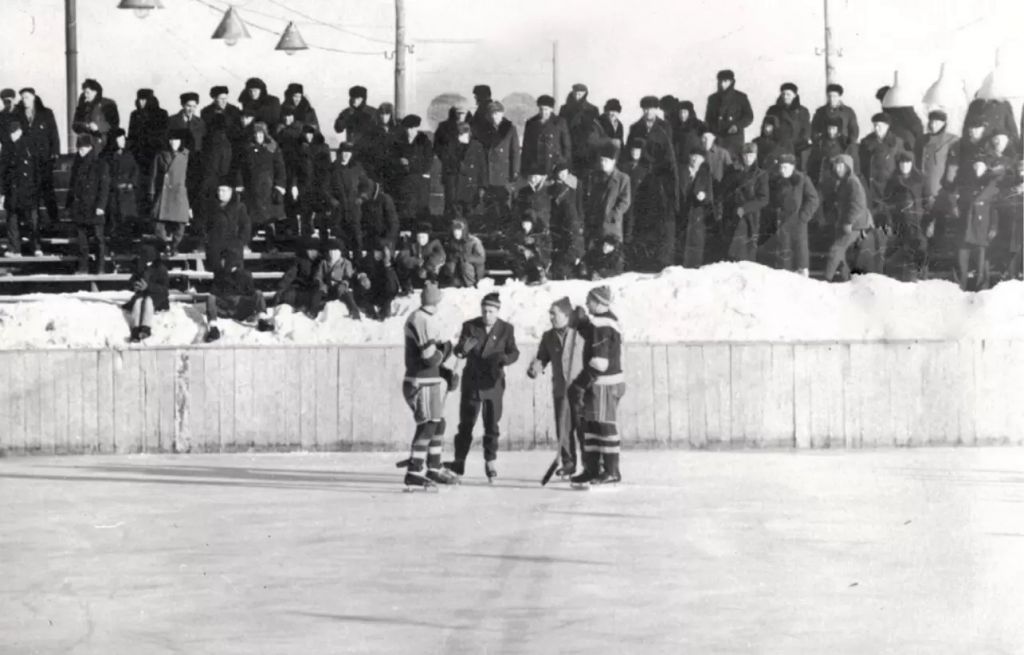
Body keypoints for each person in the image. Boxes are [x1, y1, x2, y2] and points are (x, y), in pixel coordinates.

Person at [445, 292, 519, 482]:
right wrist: (462, 349)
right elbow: (459, 350)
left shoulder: (506, 329)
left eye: (491, 311)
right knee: (466, 424)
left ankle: (490, 461)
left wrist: (505, 359)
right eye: (484, 311)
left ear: (497, 311)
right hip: (473, 382)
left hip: (493, 382)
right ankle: (459, 462)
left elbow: (514, 351)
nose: (487, 315)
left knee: (492, 424)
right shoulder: (470, 326)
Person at [400, 282, 460, 489]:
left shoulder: (427, 318)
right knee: (427, 425)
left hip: (429, 381)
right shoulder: (421, 319)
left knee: (438, 424)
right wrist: (448, 349)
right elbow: (429, 357)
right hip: (420, 382)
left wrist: (445, 373)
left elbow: (434, 359)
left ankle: (433, 468)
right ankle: (414, 471)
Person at [568, 285, 625, 486]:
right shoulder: (603, 322)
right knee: (591, 426)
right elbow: (594, 337)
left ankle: (610, 470)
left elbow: (600, 362)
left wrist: (580, 383)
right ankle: (592, 469)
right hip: (600, 383)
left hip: (604, 384)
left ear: (599, 302)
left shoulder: (603, 324)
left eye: (589, 300)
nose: (586, 303)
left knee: (604, 425)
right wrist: (582, 324)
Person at [527, 297, 586, 478]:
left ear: (567, 315)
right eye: (550, 314)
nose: (551, 317)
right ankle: (568, 464)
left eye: (554, 313)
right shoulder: (548, 336)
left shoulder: (580, 333)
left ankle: (591, 465)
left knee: (584, 429)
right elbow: (542, 357)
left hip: (581, 389)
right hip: (561, 389)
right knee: (563, 429)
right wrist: (535, 367)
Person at [763, 153, 819, 275]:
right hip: (782, 223)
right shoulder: (776, 181)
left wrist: (803, 216)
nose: (783, 171)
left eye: (786, 167)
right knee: (784, 257)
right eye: (781, 167)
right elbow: (771, 200)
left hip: (798, 222)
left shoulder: (802, 179)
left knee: (800, 255)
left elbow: (813, 199)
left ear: (793, 167)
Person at [204, 248, 273, 342]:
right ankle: (213, 329)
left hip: (241, 308)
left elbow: (252, 293)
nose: (222, 262)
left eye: (224, 259)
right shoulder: (219, 274)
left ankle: (262, 321)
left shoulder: (245, 274)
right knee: (210, 298)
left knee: (258, 293)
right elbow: (214, 292)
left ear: (229, 260)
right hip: (226, 308)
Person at [235, 122, 287, 247]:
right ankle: (245, 245)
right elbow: (241, 169)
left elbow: (280, 168)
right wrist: (240, 185)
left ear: (264, 134)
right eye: (256, 134)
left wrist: (279, 186)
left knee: (269, 221)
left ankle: (271, 246)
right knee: (250, 220)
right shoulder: (247, 149)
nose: (258, 136)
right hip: (252, 189)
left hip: (268, 190)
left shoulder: (272, 148)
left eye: (260, 134)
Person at [14, 88, 60, 225]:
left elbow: (54, 134)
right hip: (27, 160)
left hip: (44, 160)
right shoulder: (18, 115)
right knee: (29, 192)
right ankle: (32, 222)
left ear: (33, 97)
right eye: (22, 97)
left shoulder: (46, 113)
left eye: (27, 97)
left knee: (47, 191)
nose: (24, 100)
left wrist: (55, 153)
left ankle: (54, 219)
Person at [628, 96, 678, 225]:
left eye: (651, 109)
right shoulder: (635, 128)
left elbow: (669, 152)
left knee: (658, 207)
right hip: (641, 171)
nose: (648, 112)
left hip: (659, 172)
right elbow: (628, 151)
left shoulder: (665, 126)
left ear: (656, 110)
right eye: (645, 109)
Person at [823, 153, 872, 282]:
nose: (838, 169)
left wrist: (848, 221)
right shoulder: (843, 182)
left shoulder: (852, 182)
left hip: (853, 225)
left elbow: (858, 204)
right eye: (836, 166)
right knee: (842, 256)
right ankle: (849, 282)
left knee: (835, 250)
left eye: (841, 166)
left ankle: (825, 281)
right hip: (846, 223)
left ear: (848, 167)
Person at [883, 152, 930, 281]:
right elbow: (887, 203)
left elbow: (927, 201)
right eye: (902, 163)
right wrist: (889, 222)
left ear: (912, 164)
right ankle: (903, 277)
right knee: (902, 248)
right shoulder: (893, 180)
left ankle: (921, 275)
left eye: (908, 163)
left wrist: (928, 220)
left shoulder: (920, 179)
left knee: (920, 246)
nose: (905, 166)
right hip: (899, 221)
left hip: (917, 221)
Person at [67, 135, 111, 273]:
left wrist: (101, 206)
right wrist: (70, 205)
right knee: (82, 241)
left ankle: (100, 267)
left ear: (90, 148)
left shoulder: (100, 164)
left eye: (84, 148)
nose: (81, 151)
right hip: (80, 207)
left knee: (98, 239)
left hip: (94, 207)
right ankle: (83, 267)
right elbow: (72, 186)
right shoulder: (76, 164)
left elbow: (104, 187)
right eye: (79, 148)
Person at [956, 157, 1000, 291]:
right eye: (975, 166)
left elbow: (995, 209)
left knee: (981, 263)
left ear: (986, 168)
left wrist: (993, 227)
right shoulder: (965, 183)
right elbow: (956, 200)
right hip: (966, 226)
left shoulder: (992, 186)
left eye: (981, 166)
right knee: (962, 262)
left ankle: (981, 289)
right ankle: (959, 289)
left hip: (982, 227)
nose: (977, 169)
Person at [720, 142, 770, 262]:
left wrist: (745, 208)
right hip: (731, 215)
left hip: (750, 218)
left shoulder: (760, 175)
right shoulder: (733, 171)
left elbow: (763, 199)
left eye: (751, 155)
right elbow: (724, 191)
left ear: (756, 156)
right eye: (746, 155)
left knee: (746, 254)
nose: (748, 159)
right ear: (742, 156)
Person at [0, 122, 42, 256]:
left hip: (27, 190)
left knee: (31, 221)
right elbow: (3, 172)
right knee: (14, 220)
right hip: (14, 190)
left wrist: (37, 188)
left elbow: (36, 170)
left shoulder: (28, 146)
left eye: (13, 133)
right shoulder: (8, 148)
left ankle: (34, 247)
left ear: (18, 131)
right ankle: (16, 248)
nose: (11, 136)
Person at [127, 89, 169, 218]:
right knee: (140, 189)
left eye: (144, 99)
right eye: (139, 99)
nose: (141, 102)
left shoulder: (161, 114)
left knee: (154, 188)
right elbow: (131, 136)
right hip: (139, 158)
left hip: (154, 156)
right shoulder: (135, 114)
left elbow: (164, 135)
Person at [149, 129, 191, 256]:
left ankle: (174, 246)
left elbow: (191, 176)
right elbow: (154, 175)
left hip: (180, 192)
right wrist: (151, 192)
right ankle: (164, 246)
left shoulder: (186, 155)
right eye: (171, 140)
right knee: (157, 221)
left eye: (177, 140)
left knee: (181, 222)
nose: (174, 143)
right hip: (164, 192)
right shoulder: (160, 155)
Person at [389, 115, 434, 229]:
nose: (409, 131)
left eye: (412, 128)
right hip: (404, 181)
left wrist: (410, 164)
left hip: (419, 182)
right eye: (407, 128)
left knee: (420, 208)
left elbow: (428, 161)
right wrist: (400, 162)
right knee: (405, 209)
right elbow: (392, 159)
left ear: (417, 128)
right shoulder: (399, 142)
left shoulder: (424, 141)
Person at [582, 141, 631, 246]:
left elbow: (625, 201)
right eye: (601, 160)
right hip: (595, 225)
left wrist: (613, 215)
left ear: (613, 161)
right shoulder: (595, 176)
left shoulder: (623, 179)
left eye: (606, 161)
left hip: (611, 227)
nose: (602, 163)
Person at [478, 101, 521, 220]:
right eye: (492, 113)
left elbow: (515, 153)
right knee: (489, 206)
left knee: (504, 205)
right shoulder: (485, 129)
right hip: (488, 173)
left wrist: (514, 173)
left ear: (502, 113)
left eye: (497, 113)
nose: (494, 116)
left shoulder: (510, 128)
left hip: (504, 174)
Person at [860, 113, 909, 217]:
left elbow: (903, 164)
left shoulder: (896, 143)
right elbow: (861, 164)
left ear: (887, 126)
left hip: (888, 186)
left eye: (880, 126)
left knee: (888, 216)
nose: (877, 128)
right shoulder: (866, 142)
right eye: (875, 125)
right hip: (870, 187)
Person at [197, 114, 234, 245]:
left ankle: (203, 241)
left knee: (204, 213)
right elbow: (225, 165)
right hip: (219, 180)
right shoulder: (226, 142)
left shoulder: (207, 140)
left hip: (206, 181)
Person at [437, 122, 486, 220]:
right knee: (453, 214)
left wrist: (483, 185)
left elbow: (482, 167)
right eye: (459, 135)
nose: (460, 137)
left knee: (470, 213)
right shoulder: (450, 146)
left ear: (468, 133)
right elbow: (445, 165)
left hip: (471, 186)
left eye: (463, 134)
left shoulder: (477, 147)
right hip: (455, 186)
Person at [124, 243, 169, 343]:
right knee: (138, 302)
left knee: (148, 301)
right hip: (142, 294)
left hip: (157, 297)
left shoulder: (161, 269)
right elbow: (131, 281)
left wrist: (148, 287)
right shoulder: (141, 267)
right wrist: (135, 285)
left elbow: (165, 289)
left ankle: (146, 328)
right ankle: (135, 329)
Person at [327, 142, 370, 247]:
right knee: (340, 241)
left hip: (353, 209)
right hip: (338, 210)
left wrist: (361, 198)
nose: (346, 155)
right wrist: (332, 200)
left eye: (349, 153)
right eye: (344, 152)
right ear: (340, 153)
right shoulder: (333, 168)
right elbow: (325, 188)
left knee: (356, 240)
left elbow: (365, 185)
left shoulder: (357, 168)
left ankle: (357, 262)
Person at [678, 149, 716, 267]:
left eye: (698, 157)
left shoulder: (705, 175)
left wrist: (704, 196)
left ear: (703, 160)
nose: (695, 159)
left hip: (697, 215)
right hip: (681, 212)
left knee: (695, 243)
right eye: (693, 156)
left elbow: (710, 196)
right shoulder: (681, 172)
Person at [704, 69, 754, 158]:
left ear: (731, 82)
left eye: (725, 81)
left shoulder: (741, 97)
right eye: (720, 81)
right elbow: (708, 119)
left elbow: (749, 116)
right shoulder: (712, 99)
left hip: (733, 140)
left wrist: (737, 126)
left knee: (732, 165)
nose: (722, 84)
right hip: (717, 139)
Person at [548, 162, 585, 278]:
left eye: (565, 173)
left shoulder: (575, 184)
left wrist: (580, 220)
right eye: (560, 173)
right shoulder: (553, 187)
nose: (562, 175)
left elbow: (579, 204)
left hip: (572, 219)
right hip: (559, 221)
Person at [103, 128, 139, 244]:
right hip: (114, 193)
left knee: (127, 221)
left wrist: (131, 183)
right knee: (114, 221)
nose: (123, 141)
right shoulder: (106, 156)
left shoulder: (129, 154)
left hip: (127, 194)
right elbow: (105, 175)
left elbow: (135, 170)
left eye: (124, 138)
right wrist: (115, 184)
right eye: (120, 139)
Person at [204, 182, 251, 271]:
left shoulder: (239, 207)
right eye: (219, 190)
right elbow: (206, 225)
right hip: (215, 247)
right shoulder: (212, 207)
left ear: (230, 192)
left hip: (233, 248)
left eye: (223, 191)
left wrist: (239, 242)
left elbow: (245, 226)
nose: (220, 193)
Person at [522, 94, 572, 176]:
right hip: (536, 166)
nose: (543, 112)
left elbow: (567, 146)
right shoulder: (531, 123)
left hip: (555, 165)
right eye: (541, 109)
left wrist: (565, 166)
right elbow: (526, 147)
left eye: (546, 109)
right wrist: (525, 168)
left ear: (551, 109)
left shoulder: (560, 122)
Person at [311, 238, 361, 319]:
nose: (332, 253)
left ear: (340, 252)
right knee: (317, 293)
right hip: (327, 288)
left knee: (348, 294)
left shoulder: (346, 263)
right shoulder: (323, 263)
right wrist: (320, 284)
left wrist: (344, 283)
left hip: (340, 288)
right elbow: (318, 275)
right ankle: (313, 312)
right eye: (330, 251)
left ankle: (354, 312)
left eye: (335, 251)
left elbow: (349, 277)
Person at [764, 82, 811, 169]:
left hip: (796, 148)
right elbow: (766, 130)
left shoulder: (803, 111)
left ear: (795, 95)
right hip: (778, 147)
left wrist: (799, 144)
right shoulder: (773, 110)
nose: (785, 97)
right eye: (783, 94)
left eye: (788, 94)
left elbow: (806, 130)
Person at [354, 239, 400, 320]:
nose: (380, 254)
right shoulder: (365, 261)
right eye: (378, 251)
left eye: (383, 252)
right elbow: (357, 272)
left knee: (390, 285)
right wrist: (362, 277)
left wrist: (387, 264)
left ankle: (384, 310)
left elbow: (394, 287)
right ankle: (371, 311)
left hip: (384, 295)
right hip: (369, 294)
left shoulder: (390, 261)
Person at [274, 237, 322, 315]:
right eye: (309, 250)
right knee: (288, 295)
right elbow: (290, 275)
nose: (312, 252)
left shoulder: (321, 262)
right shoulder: (300, 261)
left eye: (314, 250)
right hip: (300, 287)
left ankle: (311, 313)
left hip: (315, 288)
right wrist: (281, 287)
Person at [559, 83, 600, 173]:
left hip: (586, 150)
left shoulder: (593, 110)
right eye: (575, 94)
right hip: (569, 147)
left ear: (585, 94)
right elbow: (560, 129)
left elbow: (595, 131)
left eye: (580, 94)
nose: (577, 97)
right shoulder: (564, 109)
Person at [396, 222, 446, 293]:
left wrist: (426, 266)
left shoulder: (435, 243)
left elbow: (441, 255)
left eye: (423, 237)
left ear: (428, 236)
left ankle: (432, 287)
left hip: (429, 272)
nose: (421, 239)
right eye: (419, 237)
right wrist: (417, 262)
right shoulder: (411, 244)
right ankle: (408, 288)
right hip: (415, 273)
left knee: (435, 268)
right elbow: (403, 257)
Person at [72, 78, 119, 151]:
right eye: (84, 92)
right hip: (85, 147)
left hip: (103, 146)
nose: (85, 95)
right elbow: (75, 125)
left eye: (87, 92)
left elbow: (114, 124)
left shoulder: (108, 104)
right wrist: (86, 126)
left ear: (95, 92)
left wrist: (98, 127)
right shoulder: (82, 106)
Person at [356, 179, 399, 255]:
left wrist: (387, 240)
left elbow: (393, 222)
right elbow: (363, 222)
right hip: (371, 241)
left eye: (364, 193)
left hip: (385, 241)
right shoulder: (365, 202)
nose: (363, 196)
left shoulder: (385, 199)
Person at [508, 209, 552, 284]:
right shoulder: (519, 233)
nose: (524, 226)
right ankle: (524, 276)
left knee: (536, 262)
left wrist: (535, 243)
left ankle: (540, 275)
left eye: (527, 223)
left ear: (532, 224)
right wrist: (522, 249)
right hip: (523, 261)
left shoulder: (540, 233)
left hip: (538, 260)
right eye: (523, 223)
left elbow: (546, 247)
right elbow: (512, 244)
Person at [441, 218, 486, 288]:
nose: (456, 233)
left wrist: (465, 257)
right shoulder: (450, 242)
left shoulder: (474, 241)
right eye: (454, 230)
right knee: (450, 265)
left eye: (459, 230)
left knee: (465, 265)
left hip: (472, 274)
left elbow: (481, 259)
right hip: (455, 273)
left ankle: (472, 286)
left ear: (464, 231)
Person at [670, 100, 705, 168]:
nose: (682, 115)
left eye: (685, 112)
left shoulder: (698, 125)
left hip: (695, 161)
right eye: (680, 112)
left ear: (690, 113)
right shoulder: (674, 127)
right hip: (680, 161)